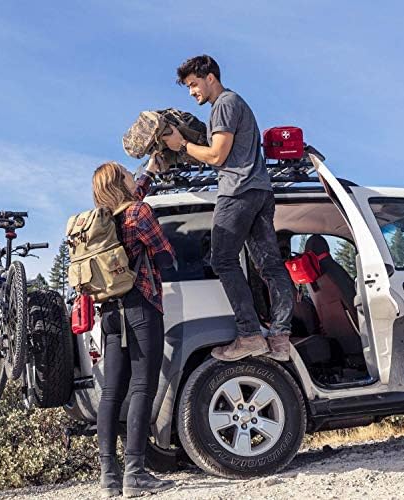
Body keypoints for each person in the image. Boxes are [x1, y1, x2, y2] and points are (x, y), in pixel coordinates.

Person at [163, 54, 294, 362]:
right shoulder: (235, 103)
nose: (192, 92)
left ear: (210, 78)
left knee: (222, 259)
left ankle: (250, 335)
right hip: (259, 190)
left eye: (194, 84)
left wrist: (182, 145)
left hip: (237, 191)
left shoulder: (224, 104)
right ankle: (280, 338)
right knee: (270, 266)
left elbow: (217, 156)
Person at [92, 155, 176, 498]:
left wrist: (150, 172)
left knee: (112, 393)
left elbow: (135, 196)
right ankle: (136, 474)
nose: (132, 176)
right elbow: (166, 257)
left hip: (110, 314)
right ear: (119, 183)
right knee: (142, 387)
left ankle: (109, 476)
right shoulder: (139, 213)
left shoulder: (103, 220)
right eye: (128, 174)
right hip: (141, 307)